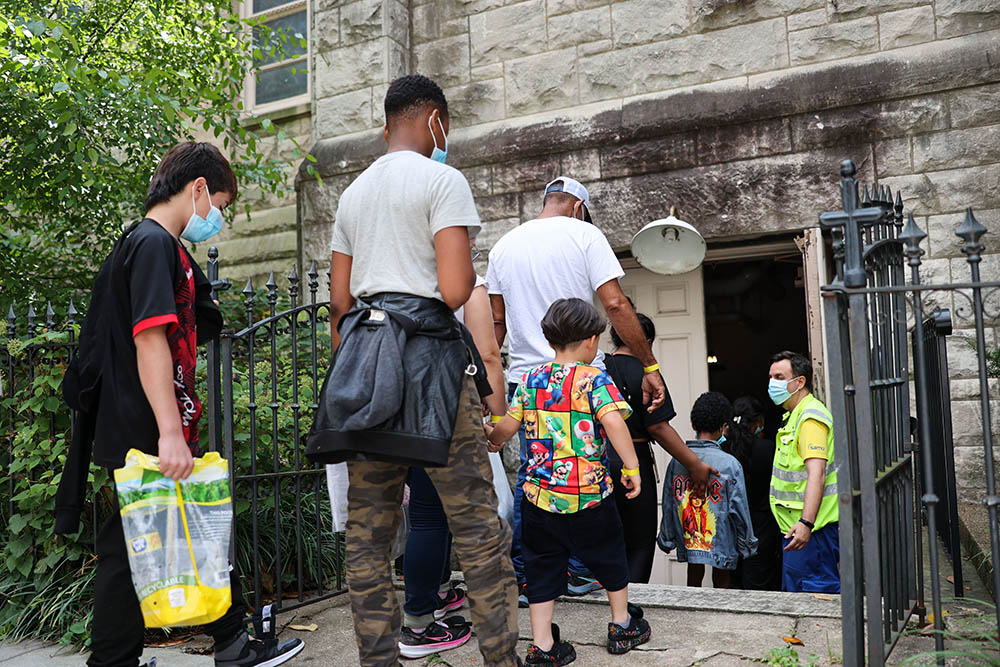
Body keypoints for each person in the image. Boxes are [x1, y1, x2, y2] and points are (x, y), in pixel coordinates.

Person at [55, 142, 304, 667]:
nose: (218, 218)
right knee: (129, 551)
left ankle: (232, 641)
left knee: (185, 529)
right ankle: (195, 649)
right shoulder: (151, 244)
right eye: (219, 204)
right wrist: (169, 430)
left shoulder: (157, 245)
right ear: (196, 191)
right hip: (144, 423)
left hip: (143, 417)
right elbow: (149, 339)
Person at [309, 74, 518, 666]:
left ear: (385, 126)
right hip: (431, 370)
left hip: (368, 365)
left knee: (367, 535)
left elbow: (340, 305)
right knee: (476, 525)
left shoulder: (352, 195)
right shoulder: (443, 180)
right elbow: (454, 289)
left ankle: (378, 659)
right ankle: (502, 658)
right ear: (437, 124)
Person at [487, 176, 693, 601]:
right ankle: (580, 570)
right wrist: (648, 364)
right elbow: (615, 304)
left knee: (533, 477)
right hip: (580, 380)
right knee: (588, 474)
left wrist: (491, 400)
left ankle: (528, 575)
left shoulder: (503, 245)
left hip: (528, 378)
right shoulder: (585, 234)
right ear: (579, 206)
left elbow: (496, 324)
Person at [486, 298, 652, 665]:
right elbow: (614, 423)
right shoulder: (594, 378)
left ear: (549, 340)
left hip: (539, 496)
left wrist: (494, 437)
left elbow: (508, 427)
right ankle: (621, 625)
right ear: (592, 340)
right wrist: (632, 468)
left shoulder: (530, 379)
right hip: (589, 493)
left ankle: (543, 646)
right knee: (609, 554)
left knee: (541, 564)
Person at [399, 260, 511, 659]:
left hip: (404, 412)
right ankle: (417, 625)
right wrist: (497, 421)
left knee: (431, 514)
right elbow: (488, 355)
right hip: (447, 412)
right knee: (434, 517)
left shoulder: (402, 279)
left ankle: (439, 595)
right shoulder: (468, 283)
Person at [604, 315, 718, 583]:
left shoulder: (598, 368)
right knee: (639, 543)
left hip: (593, 459)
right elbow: (658, 427)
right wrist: (695, 464)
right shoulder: (646, 374)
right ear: (648, 343)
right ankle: (629, 609)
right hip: (633, 461)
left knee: (603, 538)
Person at [657, 392, 757, 590]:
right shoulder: (730, 464)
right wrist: (746, 543)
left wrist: (666, 538)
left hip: (690, 536)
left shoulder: (678, 461)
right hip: (721, 539)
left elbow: (669, 501)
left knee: (693, 575)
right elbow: (739, 507)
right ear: (723, 427)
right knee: (722, 580)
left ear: (694, 425)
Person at [768, 351, 840, 593]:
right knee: (797, 601)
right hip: (797, 531)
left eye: (779, 376)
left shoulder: (810, 418)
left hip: (811, 532)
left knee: (814, 601)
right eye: (770, 377)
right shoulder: (793, 416)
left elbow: (817, 473)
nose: (772, 383)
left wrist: (806, 523)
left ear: (799, 382)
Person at [729, 396, 782, 591]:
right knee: (760, 584)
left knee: (734, 582)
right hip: (762, 527)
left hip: (732, 528)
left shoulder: (727, 450)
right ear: (758, 422)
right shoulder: (768, 449)